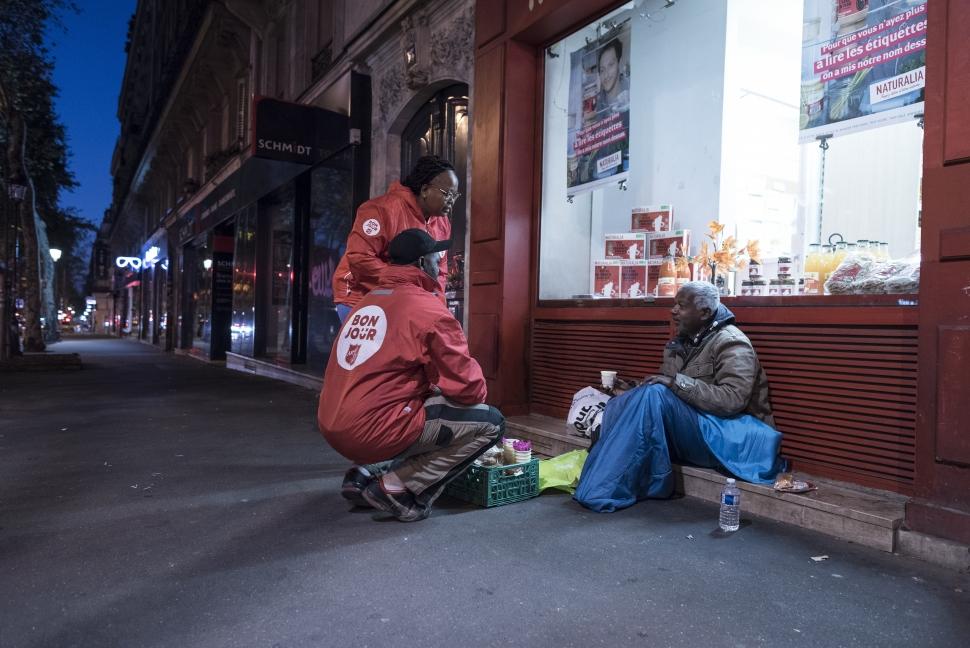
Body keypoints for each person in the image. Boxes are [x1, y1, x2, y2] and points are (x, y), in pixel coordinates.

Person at [317, 229, 504, 522]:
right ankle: (398, 489)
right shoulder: (428, 309)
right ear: (421, 263)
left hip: (332, 424)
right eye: (435, 256)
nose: (439, 262)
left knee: (421, 406)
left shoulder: (366, 303)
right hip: (372, 431)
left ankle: (365, 475)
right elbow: (469, 389)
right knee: (490, 423)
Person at [574, 281, 784, 512]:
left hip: (733, 439)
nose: (673, 311)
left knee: (654, 393)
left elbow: (732, 399)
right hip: (699, 429)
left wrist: (676, 383)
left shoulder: (732, 342)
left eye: (681, 306)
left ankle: (607, 487)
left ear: (704, 312)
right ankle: (604, 481)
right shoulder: (679, 343)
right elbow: (666, 398)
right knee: (633, 398)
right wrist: (631, 389)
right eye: (675, 304)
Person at [332, 156, 458, 323]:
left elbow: (440, 271)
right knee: (377, 347)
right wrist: (408, 285)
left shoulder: (443, 223)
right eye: (447, 194)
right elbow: (359, 258)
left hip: (406, 297)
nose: (451, 201)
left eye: (455, 195)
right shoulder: (381, 209)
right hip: (360, 294)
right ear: (425, 189)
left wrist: (438, 309)